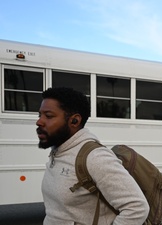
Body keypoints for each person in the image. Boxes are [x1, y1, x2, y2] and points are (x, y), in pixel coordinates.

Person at [36, 87, 149, 225]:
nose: (39, 121)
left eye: (48, 116)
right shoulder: (59, 152)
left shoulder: (95, 157)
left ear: (74, 121)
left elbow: (137, 207)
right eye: (39, 115)